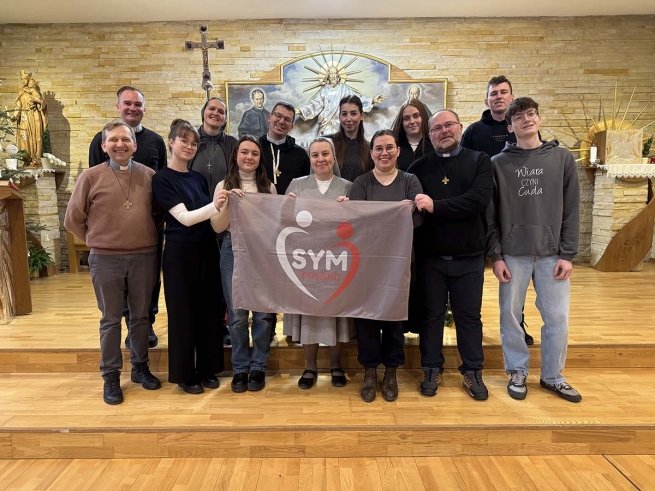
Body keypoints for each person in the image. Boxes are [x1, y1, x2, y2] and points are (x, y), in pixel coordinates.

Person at [487, 97, 581, 403]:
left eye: (531, 114)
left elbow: (572, 209)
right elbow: (490, 214)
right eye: (519, 117)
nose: (526, 119)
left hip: (552, 254)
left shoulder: (562, 159)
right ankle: (517, 370)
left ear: (539, 119)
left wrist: (567, 253)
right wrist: (496, 255)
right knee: (510, 316)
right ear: (509, 126)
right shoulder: (498, 164)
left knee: (557, 317)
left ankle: (553, 375)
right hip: (513, 253)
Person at [64, 121, 161, 405]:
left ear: (135, 145)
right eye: (114, 140)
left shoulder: (149, 175)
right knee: (110, 319)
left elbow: (158, 215)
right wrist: (96, 240)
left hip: (144, 256)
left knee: (141, 316)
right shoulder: (91, 177)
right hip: (105, 259)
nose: (120, 144)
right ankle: (111, 375)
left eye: (126, 140)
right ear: (104, 146)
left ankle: (140, 367)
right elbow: (72, 219)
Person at [409, 109, 492, 401]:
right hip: (430, 257)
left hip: (469, 256)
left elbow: (478, 200)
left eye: (448, 125)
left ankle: (472, 370)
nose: (443, 131)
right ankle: (431, 368)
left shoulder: (479, 160)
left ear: (459, 127)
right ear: (430, 136)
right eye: (437, 129)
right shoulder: (419, 168)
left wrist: (436, 206)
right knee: (431, 317)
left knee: (468, 317)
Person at [88, 86, 167, 350]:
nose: (133, 108)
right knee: (115, 293)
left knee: (149, 282)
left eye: (138, 104)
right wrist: (95, 234)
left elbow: (161, 184)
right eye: (127, 103)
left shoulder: (155, 141)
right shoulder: (101, 139)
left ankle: (146, 324)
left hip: (146, 230)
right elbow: (94, 185)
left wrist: (155, 225)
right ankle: (127, 324)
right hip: (111, 234)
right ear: (118, 107)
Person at [349, 129, 423, 403]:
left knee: (394, 318)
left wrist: (382, 217)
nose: (384, 153)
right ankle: (369, 372)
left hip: (400, 263)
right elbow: (358, 221)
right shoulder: (361, 183)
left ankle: (391, 372)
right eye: (378, 148)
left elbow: (417, 219)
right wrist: (395, 213)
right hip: (366, 265)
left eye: (389, 147)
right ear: (371, 153)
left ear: (398, 151)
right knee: (366, 319)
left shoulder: (410, 181)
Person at [151, 119, 225, 394]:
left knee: (210, 310)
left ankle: (208, 367)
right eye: (184, 141)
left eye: (194, 143)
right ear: (171, 142)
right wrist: (216, 205)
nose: (189, 147)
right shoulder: (161, 179)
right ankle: (185, 374)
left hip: (207, 248)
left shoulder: (197, 178)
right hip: (180, 253)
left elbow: (209, 217)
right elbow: (184, 218)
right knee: (183, 313)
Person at [461, 75, 534, 346]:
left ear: (512, 97)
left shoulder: (522, 129)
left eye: (504, 92)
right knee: (474, 274)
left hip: (514, 211)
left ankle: (518, 324)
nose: (499, 97)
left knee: (515, 274)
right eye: (494, 93)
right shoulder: (473, 132)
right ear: (486, 100)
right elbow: (463, 167)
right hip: (481, 213)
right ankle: (472, 325)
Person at [283, 137, 354, 389]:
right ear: (310, 159)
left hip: (336, 263)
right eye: (315, 155)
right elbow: (282, 221)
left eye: (325, 154)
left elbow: (357, 226)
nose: (320, 159)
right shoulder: (297, 185)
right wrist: (286, 206)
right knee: (309, 313)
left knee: (336, 314)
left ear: (333, 157)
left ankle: (336, 365)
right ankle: (310, 366)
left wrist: (352, 209)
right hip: (307, 264)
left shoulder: (348, 187)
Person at [212, 135, 277, 393]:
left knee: (262, 313)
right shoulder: (224, 185)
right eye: (244, 152)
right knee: (237, 313)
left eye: (255, 153)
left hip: (261, 250)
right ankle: (240, 367)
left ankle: (258, 365)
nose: (249, 157)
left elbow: (273, 226)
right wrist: (227, 203)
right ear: (236, 156)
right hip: (232, 247)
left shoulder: (268, 187)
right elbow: (217, 227)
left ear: (260, 158)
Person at [188, 97, 236, 346]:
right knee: (200, 275)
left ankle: (222, 324)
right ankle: (200, 324)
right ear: (203, 112)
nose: (216, 113)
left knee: (222, 275)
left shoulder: (232, 144)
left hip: (224, 216)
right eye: (211, 109)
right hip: (195, 216)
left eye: (221, 111)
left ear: (225, 118)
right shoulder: (191, 141)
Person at [296, 65, 384, 136]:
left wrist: (372, 100)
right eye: (331, 73)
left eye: (335, 73)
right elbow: (315, 106)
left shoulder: (344, 89)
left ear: (338, 76)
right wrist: (300, 110)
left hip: (342, 125)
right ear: (328, 76)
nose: (333, 76)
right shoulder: (324, 92)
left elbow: (357, 101)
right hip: (327, 125)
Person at [259, 102, 310, 195]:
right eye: (278, 116)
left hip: (291, 203)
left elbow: (306, 187)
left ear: (291, 127)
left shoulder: (300, 154)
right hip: (258, 202)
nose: (282, 121)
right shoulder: (255, 149)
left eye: (287, 119)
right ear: (269, 117)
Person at [325, 96, 373, 183]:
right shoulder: (327, 142)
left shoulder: (369, 148)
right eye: (344, 114)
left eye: (353, 114)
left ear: (362, 116)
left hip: (359, 191)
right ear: (339, 117)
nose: (348, 119)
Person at [12, 70, 48, 165]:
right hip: (24, 117)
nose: (23, 81)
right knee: (24, 135)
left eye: (25, 79)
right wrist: (15, 115)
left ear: (29, 79)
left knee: (36, 136)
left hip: (34, 116)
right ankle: (26, 158)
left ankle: (36, 158)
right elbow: (18, 105)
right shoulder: (20, 92)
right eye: (21, 79)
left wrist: (38, 102)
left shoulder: (34, 90)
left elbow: (42, 104)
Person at [391, 100, 434, 172]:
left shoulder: (434, 144)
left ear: (423, 117)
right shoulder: (394, 145)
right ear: (401, 121)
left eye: (416, 116)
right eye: (406, 118)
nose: (412, 122)